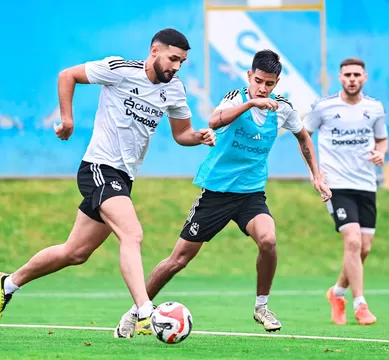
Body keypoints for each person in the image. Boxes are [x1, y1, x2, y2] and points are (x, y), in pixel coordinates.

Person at [0, 28, 216, 332]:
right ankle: (145, 312)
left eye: (182, 62)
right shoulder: (119, 70)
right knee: (132, 234)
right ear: (154, 51)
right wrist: (68, 120)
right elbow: (67, 75)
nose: (176, 67)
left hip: (124, 177)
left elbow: (181, 133)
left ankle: (8, 283)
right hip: (99, 167)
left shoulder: (173, 89)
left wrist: (198, 137)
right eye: (173, 59)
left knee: (75, 252)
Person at [113, 49, 332, 338]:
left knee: (268, 239)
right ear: (248, 77)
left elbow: (303, 137)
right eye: (258, 81)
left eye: (268, 84)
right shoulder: (235, 98)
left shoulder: (284, 109)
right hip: (216, 193)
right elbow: (215, 121)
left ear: (276, 84)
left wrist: (316, 175)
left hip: (251, 195)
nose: (262, 88)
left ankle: (261, 306)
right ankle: (134, 312)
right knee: (178, 259)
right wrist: (251, 102)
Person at [303, 57, 388, 326]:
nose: (352, 79)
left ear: (365, 77)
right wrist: (316, 173)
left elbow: (382, 139)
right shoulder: (324, 107)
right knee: (352, 241)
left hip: (366, 184)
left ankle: (337, 292)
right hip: (336, 184)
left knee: (363, 248)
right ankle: (360, 305)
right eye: (347, 74)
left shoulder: (374, 108)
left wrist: (380, 153)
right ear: (339, 77)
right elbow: (303, 137)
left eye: (357, 75)